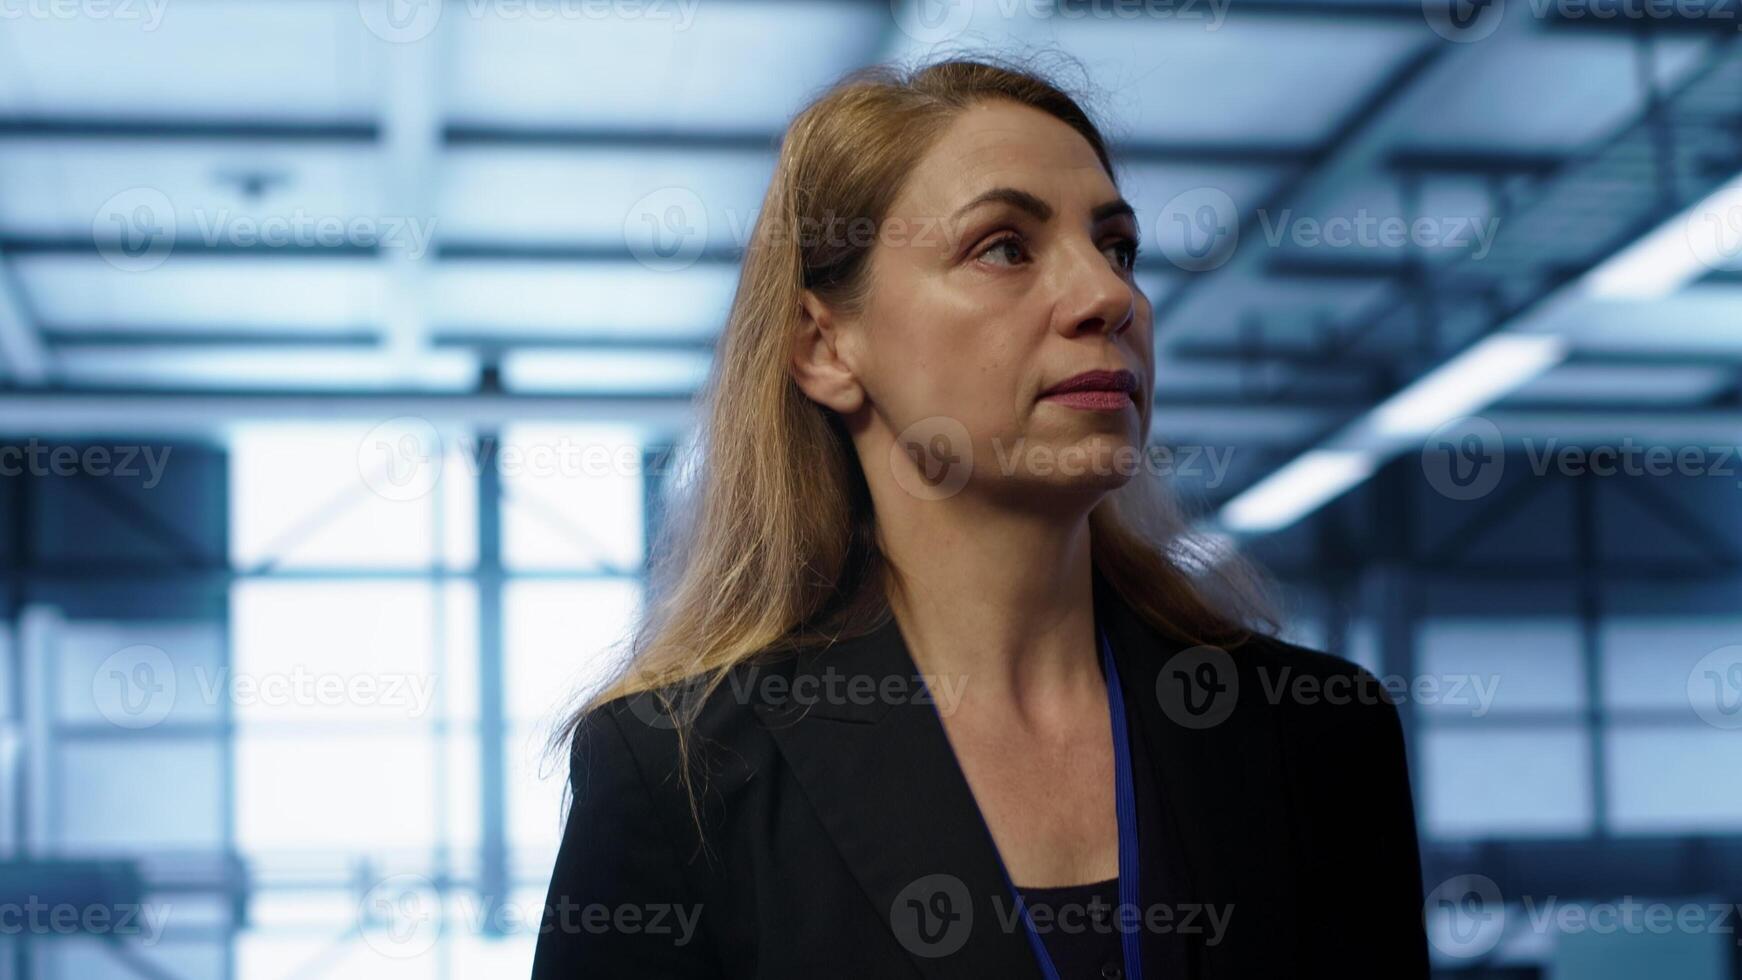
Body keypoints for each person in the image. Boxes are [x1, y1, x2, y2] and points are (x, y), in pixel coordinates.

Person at [531, 56, 1428, 979]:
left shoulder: (1316, 739)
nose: (1109, 296)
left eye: (1117, 248)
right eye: (1003, 246)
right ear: (826, 347)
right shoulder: (680, 777)